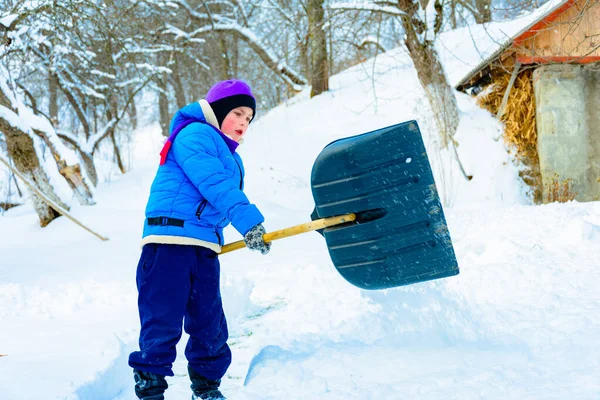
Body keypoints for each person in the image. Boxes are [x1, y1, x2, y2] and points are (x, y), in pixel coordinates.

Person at [128, 79, 271, 400]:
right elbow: (215, 185)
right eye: (238, 113)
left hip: (204, 245)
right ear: (218, 111)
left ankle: (206, 388)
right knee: (162, 319)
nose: (244, 123)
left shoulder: (227, 152)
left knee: (208, 320)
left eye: (249, 119)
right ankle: (151, 391)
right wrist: (248, 222)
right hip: (169, 242)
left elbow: (218, 194)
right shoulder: (195, 134)